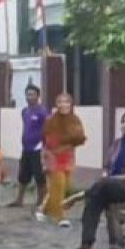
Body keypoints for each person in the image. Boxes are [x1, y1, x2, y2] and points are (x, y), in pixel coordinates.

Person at [70, 111, 125, 249]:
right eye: (123, 122)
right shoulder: (117, 144)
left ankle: (81, 195)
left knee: (99, 189)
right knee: (95, 198)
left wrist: (110, 179)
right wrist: (106, 175)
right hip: (109, 187)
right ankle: (87, 242)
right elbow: (107, 166)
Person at [38, 92, 86, 228]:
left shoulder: (75, 119)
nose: (63, 105)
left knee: (63, 186)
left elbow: (80, 137)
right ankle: (60, 216)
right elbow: (48, 140)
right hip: (53, 155)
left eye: (67, 102)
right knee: (58, 184)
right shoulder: (51, 120)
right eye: (60, 102)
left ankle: (44, 209)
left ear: (71, 105)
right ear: (56, 104)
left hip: (68, 156)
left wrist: (70, 142)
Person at [12, 83, 49, 209]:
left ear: (38, 96)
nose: (29, 97)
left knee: (39, 176)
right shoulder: (25, 111)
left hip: (38, 149)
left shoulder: (42, 112)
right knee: (23, 175)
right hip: (26, 148)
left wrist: (45, 146)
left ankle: (41, 201)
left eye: (32, 94)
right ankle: (19, 200)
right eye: (27, 94)